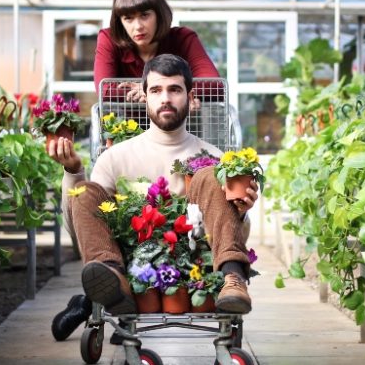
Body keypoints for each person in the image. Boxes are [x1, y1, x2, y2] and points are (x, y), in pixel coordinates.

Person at [49, 55, 257, 340]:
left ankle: (233, 278)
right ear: (144, 97)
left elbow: (236, 233)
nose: (165, 98)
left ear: (190, 96)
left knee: (211, 173)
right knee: (84, 190)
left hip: (194, 264)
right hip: (132, 266)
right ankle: (111, 282)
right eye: (156, 90)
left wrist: (242, 213)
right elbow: (78, 228)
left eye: (174, 89)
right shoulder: (115, 158)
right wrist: (73, 172)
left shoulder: (215, 158)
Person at [93, 0, 219, 103]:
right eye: (128, 18)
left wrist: (149, 89)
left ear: (159, 14)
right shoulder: (109, 39)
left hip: (178, 122)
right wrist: (168, 89)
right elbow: (105, 91)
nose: (138, 26)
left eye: (145, 15)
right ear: (120, 21)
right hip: (125, 123)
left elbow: (214, 86)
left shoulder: (183, 38)